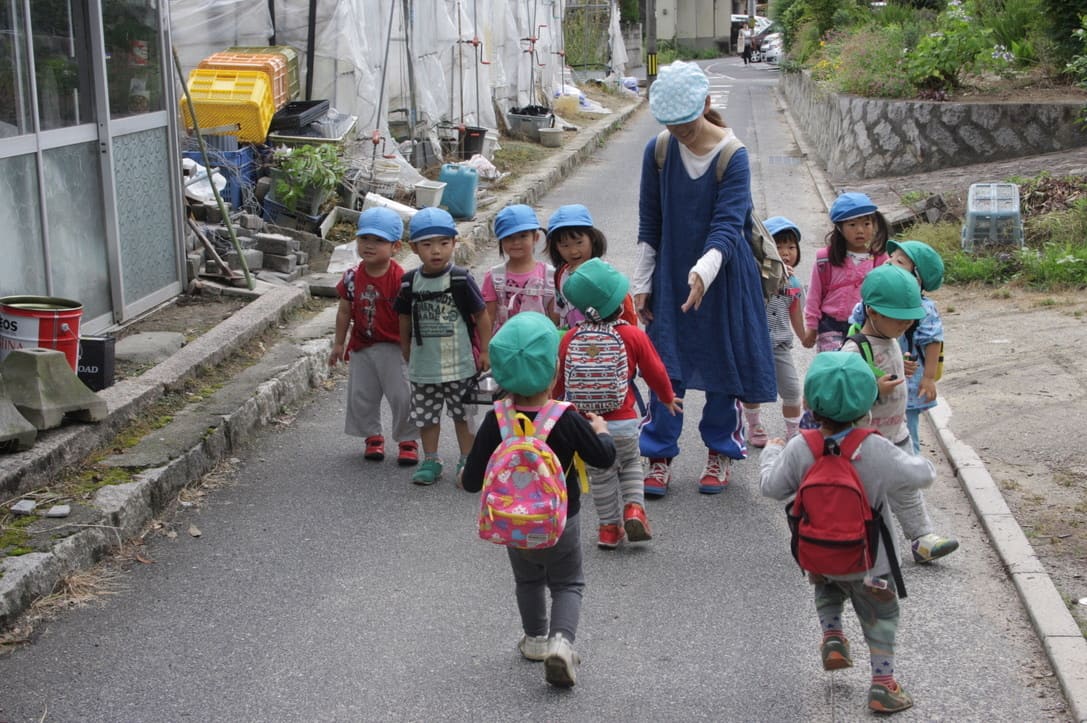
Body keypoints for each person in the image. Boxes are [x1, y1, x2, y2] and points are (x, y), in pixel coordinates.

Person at [760, 351, 936, 715]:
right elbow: (922, 476)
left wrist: (770, 455)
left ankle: (833, 636)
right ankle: (884, 686)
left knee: (827, 588)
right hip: (873, 562)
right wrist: (918, 457)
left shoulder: (800, 448)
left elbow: (772, 488)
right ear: (870, 402)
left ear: (809, 402)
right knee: (880, 618)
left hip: (820, 556)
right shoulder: (874, 448)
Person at [633, 60, 776, 496]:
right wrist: (642, 282)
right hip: (671, 275)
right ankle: (658, 455)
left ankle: (719, 449)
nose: (680, 133)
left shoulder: (733, 156)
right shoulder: (658, 151)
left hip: (723, 278)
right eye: (671, 125)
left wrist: (703, 271)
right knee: (664, 368)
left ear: (707, 105)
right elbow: (649, 222)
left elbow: (728, 225)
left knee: (721, 368)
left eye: (687, 124)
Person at [460, 312, 617, 688]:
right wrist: (603, 431)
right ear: (554, 370)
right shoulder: (565, 417)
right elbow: (603, 458)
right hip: (562, 520)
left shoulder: (496, 419)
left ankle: (534, 639)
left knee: (528, 580)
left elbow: (470, 482)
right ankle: (560, 644)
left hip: (513, 524)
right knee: (567, 584)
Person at [553, 259, 681, 549]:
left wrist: (553, 405)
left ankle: (609, 529)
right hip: (623, 420)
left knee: (601, 475)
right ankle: (634, 509)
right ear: (620, 303)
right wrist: (667, 397)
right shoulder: (632, 335)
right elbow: (655, 371)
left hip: (587, 425)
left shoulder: (571, 338)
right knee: (631, 464)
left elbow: (559, 381)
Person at [844, 263, 959, 563]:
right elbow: (844, 393)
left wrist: (904, 368)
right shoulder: (854, 349)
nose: (906, 326)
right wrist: (873, 388)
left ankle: (921, 538)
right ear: (872, 312)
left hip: (897, 433)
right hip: (867, 442)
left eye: (910, 321)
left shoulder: (892, 338)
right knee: (865, 496)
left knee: (907, 489)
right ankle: (854, 542)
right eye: (900, 320)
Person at [394, 207, 491, 485]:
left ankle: (467, 460)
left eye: (443, 243)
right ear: (414, 248)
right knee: (426, 418)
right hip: (423, 367)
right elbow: (402, 317)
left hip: (459, 365)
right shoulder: (409, 282)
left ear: (454, 243)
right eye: (427, 244)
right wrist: (405, 347)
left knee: (463, 416)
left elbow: (481, 315)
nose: (436, 251)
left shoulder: (460, 279)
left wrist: (485, 351)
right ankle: (431, 459)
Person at [329, 207, 419, 466]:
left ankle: (408, 440)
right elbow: (344, 310)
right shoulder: (351, 278)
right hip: (362, 345)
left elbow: (411, 315)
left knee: (402, 394)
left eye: (379, 240)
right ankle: (372, 436)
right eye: (364, 238)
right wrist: (339, 343)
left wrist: (410, 345)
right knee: (362, 394)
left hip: (394, 346)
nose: (370, 245)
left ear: (395, 246)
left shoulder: (402, 279)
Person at [742, 216, 807, 446]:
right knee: (752, 389)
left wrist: (805, 337)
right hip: (754, 343)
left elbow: (796, 312)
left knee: (791, 389)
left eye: (791, 247)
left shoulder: (795, 283)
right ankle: (753, 424)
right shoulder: (755, 277)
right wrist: (773, 274)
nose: (786, 252)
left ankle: (793, 431)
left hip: (780, 345)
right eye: (778, 246)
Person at [803, 192, 890, 352]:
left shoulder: (880, 260)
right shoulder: (825, 259)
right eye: (852, 225)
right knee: (836, 368)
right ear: (839, 228)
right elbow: (814, 295)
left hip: (866, 327)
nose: (860, 230)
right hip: (830, 326)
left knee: (862, 370)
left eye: (866, 224)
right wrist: (811, 326)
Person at [545, 204, 638, 330]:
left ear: (592, 238)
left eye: (579, 242)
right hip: (574, 344)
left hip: (607, 344)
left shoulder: (604, 275)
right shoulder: (560, 274)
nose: (573, 251)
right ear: (555, 247)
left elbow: (625, 309)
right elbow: (561, 310)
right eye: (565, 245)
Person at [482, 204, 557, 334]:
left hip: (539, 343)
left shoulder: (549, 275)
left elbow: (555, 319)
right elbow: (489, 317)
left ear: (535, 238)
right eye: (509, 237)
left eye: (523, 236)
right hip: (505, 345)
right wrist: (485, 350)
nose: (516, 242)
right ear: (501, 241)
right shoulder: (494, 276)